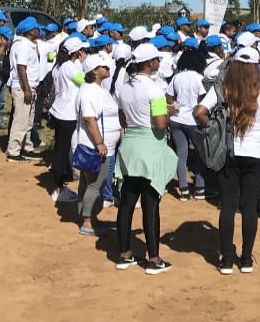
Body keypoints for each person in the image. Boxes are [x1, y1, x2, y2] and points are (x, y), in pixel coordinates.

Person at [194, 47, 260, 273]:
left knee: (227, 206)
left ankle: (226, 260)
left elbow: (199, 112)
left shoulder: (222, 89)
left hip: (228, 153)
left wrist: (213, 128)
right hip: (255, 154)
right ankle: (245, 259)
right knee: (249, 207)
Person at [114, 44, 176, 275]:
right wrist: (169, 114)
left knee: (128, 202)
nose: (159, 62)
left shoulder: (125, 87)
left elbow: (123, 120)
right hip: (150, 146)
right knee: (151, 204)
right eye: (156, 59)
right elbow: (160, 124)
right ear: (150, 63)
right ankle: (154, 258)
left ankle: (124, 253)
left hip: (130, 145)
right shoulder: (155, 89)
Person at [75, 53, 120, 237]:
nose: (108, 69)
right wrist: (100, 142)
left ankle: (91, 219)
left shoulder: (94, 89)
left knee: (88, 183)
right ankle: (87, 223)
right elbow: (89, 118)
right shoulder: (90, 91)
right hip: (95, 147)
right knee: (95, 184)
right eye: (105, 67)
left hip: (97, 145)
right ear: (94, 71)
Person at [49, 36, 88, 203]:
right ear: (77, 52)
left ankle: (60, 185)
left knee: (59, 149)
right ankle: (58, 189)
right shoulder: (69, 67)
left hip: (59, 111)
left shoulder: (59, 66)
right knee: (62, 152)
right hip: (67, 114)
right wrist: (84, 62)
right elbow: (87, 81)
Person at [168, 46, 210, 200]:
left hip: (176, 119)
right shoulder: (200, 79)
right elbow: (204, 102)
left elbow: (168, 98)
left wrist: (175, 107)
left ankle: (184, 189)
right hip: (194, 121)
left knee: (181, 154)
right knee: (201, 154)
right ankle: (199, 188)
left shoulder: (177, 77)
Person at [5, 18, 41, 163]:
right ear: (32, 31)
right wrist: (26, 88)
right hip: (23, 87)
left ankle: (26, 147)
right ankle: (13, 152)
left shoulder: (25, 44)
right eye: (37, 29)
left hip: (29, 86)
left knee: (28, 120)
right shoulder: (24, 46)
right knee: (21, 120)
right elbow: (21, 68)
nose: (39, 31)